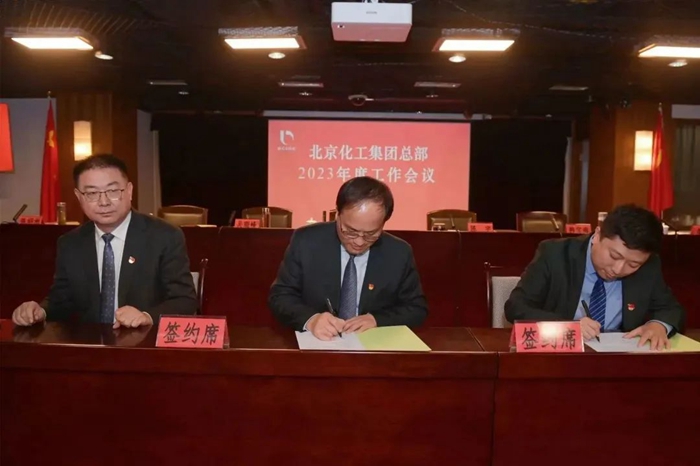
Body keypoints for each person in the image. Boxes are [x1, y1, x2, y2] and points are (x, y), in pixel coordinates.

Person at [12, 153, 198, 328]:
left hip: (145, 343)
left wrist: (146, 316)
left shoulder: (164, 236)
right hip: (90, 344)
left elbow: (184, 300)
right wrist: (40, 311)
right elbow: (61, 299)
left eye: (113, 191)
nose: (104, 202)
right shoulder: (70, 243)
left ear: (129, 191)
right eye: (92, 193)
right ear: (79, 197)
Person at [505, 204, 685, 350]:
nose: (618, 269)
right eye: (614, 256)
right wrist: (568, 326)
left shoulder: (648, 266)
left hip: (619, 361)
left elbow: (671, 308)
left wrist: (659, 325)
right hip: (560, 357)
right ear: (598, 235)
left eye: (633, 265)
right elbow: (516, 306)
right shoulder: (555, 254)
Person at [268, 176, 428, 340]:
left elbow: (416, 309)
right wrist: (311, 320)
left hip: (372, 346)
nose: (359, 242)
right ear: (337, 214)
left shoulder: (398, 252)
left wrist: (377, 319)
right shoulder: (306, 242)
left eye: (371, 234)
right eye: (350, 232)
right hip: (319, 343)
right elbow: (280, 296)